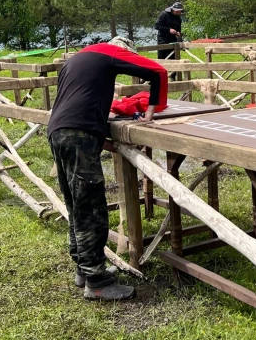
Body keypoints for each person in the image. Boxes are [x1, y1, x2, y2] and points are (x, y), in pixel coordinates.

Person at [47, 36, 168, 302]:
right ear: (123, 51)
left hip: (59, 131)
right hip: (78, 134)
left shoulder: (77, 59)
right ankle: (97, 282)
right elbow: (157, 72)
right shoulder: (110, 53)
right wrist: (150, 112)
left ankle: (84, 268)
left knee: (76, 205)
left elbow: (80, 99)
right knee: (91, 208)